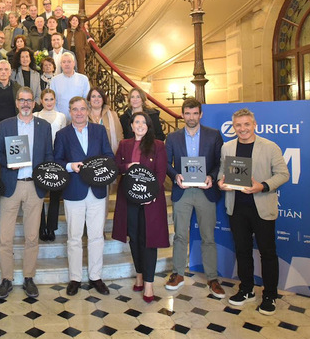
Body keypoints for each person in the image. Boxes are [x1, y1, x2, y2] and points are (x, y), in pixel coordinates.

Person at [218, 108, 290, 315]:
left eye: (246, 124)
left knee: (267, 253)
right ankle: (246, 289)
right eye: (238, 125)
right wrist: (221, 183)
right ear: (234, 127)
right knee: (242, 251)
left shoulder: (270, 147)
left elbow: (283, 174)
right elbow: (223, 173)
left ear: (254, 125)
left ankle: (270, 295)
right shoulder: (227, 147)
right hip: (236, 207)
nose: (243, 129)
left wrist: (263, 186)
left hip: (261, 207)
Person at [0, 87, 53, 299]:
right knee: (5, 237)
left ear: (34, 103)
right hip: (11, 185)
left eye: (29, 100)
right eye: (22, 100)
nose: (26, 104)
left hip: (34, 186)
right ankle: (6, 279)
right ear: (17, 102)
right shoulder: (6, 125)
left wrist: (44, 178)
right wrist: (8, 164)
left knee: (31, 236)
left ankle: (29, 277)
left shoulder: (44, 126)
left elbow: (49, 155)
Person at [164, 97, 226, 298]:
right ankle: (178, 273)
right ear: (182, 115)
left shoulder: (213, 135)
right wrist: (176, 176)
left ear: (201, 114)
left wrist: (211, 176)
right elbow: (166, 163)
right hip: (182, 191)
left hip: (205, 191)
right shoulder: (172, 137)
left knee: (208, 237)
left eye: (195, 113)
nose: (191, 117)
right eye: (187, 113)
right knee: (180, 235)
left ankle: (212, 277)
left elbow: (220, 162)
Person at [54, 96, 114, 296]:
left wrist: (99, 168)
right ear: (70, 112)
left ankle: (95, 276)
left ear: (88, 110)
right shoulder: (62, 134)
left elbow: (109, 156)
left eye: (82, 109)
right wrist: (71, 166)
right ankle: (75, 278)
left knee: (97, 236)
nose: (79, 113)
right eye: (75, 109)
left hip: (97, 191)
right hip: (74, 192)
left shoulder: (99, 131)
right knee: (74, 237)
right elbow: (57, 161)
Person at [111, 111, 169, 303]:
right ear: (132, 125)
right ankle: (139, 274)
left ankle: (149, 283)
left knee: (149, 240)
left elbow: (161, 172)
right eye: (137, 122)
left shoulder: (158, 145)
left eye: (144, 122)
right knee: (134, 238)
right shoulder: (124, 144)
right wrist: (127, 166)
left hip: (151, 201)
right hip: (129, 198)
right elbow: (116, 166)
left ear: (149, 125)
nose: (140, 125)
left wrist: (151, 194)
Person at [34, 88, 67, 241]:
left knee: (55, 196)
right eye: (46, 99)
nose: (49, 102)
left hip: (57, 159)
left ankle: (51, 228)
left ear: (55, 100)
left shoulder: (61, 117)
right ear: (41, 101)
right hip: (40, 159)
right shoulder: (35, 116)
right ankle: (41, 227)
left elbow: (63, 140)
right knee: (39, 194)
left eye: (51, 99)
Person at [50, 52, 91, 121]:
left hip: (79, 117)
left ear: (74, 63)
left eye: (69, 61)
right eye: (64, 62)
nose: (66, 64)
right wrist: (59, 117)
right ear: (61, 64)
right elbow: (52, 100)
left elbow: (87, 99)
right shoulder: (54, 80)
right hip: (60, 118)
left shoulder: (83, 79)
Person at [87, 86, 122, 154]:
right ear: (89, 99)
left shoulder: (113, 115)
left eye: (99, 96)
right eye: (93, 96)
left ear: (103, 99)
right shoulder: (83, 115)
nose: (96, 99)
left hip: (109, 155)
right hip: (89, 156)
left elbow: (119, 137)